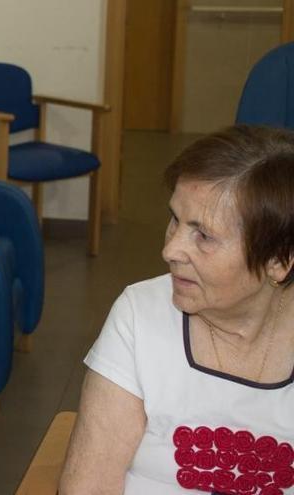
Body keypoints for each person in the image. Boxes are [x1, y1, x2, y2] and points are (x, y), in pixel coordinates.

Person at [60, 125, 294, 494]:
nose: (170, 251)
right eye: (175, 220)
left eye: (204, 235)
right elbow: (90, 485)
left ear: (279, 260)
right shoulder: (140, 314)